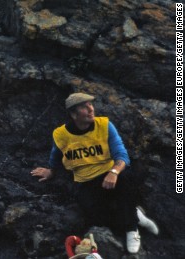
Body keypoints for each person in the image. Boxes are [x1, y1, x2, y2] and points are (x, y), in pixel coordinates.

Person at [30, 93, 159, 254]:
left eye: (90, 105)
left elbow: (122, 155)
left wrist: (113, 172)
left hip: (109, 175)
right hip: (85, 181)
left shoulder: (105, 125)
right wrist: (51, 171)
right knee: (97, 220)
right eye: (84, 107)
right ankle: (136, 215)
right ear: (73, 114)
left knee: (125, 177)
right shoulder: (61, 134)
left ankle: (132, 229)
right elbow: (56, 155)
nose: (91, 109)